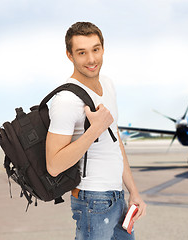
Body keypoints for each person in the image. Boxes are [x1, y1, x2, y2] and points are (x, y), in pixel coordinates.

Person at [45, 22, 146, 239]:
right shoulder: (66, 100)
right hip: (91, 200)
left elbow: (114, 142)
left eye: (96, 49)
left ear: (103, 48)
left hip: (117, 197)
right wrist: (95, 129)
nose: (91, 59)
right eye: (82, 52)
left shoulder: (108, 84)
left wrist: (133, 190)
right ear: (69, 55)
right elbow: (53, 165)